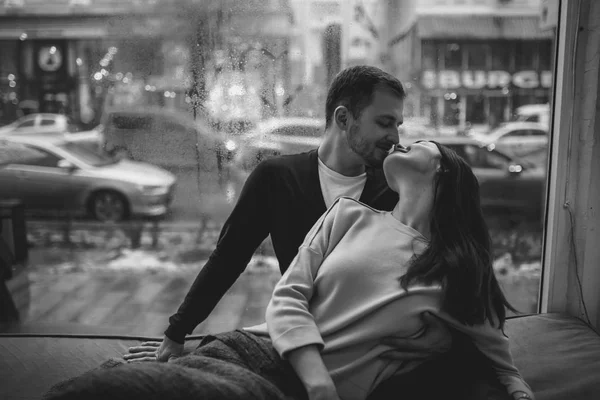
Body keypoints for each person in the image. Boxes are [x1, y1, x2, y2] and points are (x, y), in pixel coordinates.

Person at [124, 66, 509, 398]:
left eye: (398, 124)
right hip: (292, 339)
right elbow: (228, 258)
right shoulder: (276, 177)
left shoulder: (398, 190)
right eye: (384, 122)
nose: (395, 137)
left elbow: (450, 264)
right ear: (343, 118)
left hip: (361, 358)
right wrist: (177, 335)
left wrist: (437, 339)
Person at [45, 141, 534, 400]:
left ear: (442, 171)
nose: (400, 141)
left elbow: (498, 354)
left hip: (281, 390)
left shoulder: (451, 274)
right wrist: (317, 377)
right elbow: (287, 295)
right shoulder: (349, 214)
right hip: (252, 352)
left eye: (418, 141)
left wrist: (515, 388)